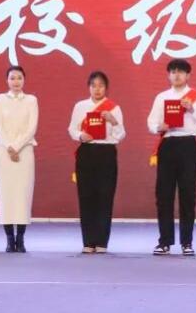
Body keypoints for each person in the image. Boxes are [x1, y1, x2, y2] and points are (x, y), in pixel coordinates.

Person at [146, 59, 196, 256]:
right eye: (173, 72)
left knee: (187, 194)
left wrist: (192, 110)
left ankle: (187, 242)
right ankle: (164, 241)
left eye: (181, 72)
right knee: (164, 194)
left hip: (188, 145)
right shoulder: (162, 97)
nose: (177, 75)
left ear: (188, 75)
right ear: (168, 75)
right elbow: (151, 122)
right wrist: (159, 127)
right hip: (167, 144)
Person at [67, 71, 125, 254]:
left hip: (106, 153)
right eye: (93, 85)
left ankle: (101, 242)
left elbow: (121, 135)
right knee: (86, 197)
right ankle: (88, 241)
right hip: (86, 152)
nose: (97, 89)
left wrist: (113, 121)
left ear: (106, 88)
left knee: (105, 197)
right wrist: (80, 135)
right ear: (89, 87)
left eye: (101, 85)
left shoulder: (114, 108)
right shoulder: (80, 106)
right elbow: (72, 129)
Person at [0, 65, 38, 253]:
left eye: (19, 78)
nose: (16, 81)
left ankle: (21, 238)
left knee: (23, 195)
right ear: (7, 80)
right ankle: (10, 239)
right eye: (12, 78)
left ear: (24, 80)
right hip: (3, 152)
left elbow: (32, 128)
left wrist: (17, 146)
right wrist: (10, 146)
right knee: (6, 196)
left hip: (24, 152)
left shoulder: (31, 100)